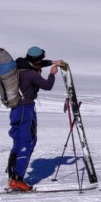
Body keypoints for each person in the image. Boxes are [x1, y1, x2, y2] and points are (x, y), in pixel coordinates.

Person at [7, 46, 64, 191]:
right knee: (29, 142)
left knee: (18, 141)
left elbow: (37, 64)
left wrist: (52, 62)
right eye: (40, 60)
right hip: (26, 110)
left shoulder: (18, 67)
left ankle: (12, 175)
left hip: (15, 109)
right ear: (36, 61)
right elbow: (47, 86)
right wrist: (52, 73)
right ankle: (17, 179)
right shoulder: (30, 74)